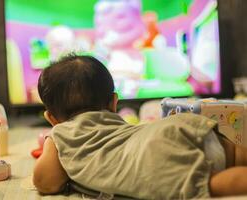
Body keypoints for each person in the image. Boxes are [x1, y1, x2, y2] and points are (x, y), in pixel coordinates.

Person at [33, 54, 247, 199]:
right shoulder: (115, 125)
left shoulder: (61, 133)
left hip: (158, 153)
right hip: (176, 127)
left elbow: (46, 182)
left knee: (209, 184)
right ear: (113, 103)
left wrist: (52, 141)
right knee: (234, 154)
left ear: (51, 118)